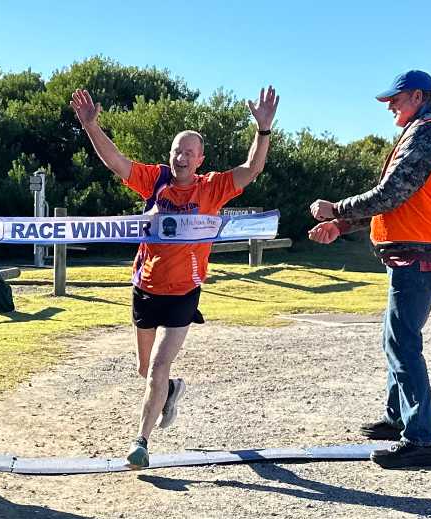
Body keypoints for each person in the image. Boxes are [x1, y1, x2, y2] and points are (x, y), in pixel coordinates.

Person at [71, 86, 279, 468]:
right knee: (144, 368)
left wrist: (262, 130)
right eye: (176, 151)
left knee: (157, 368)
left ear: (200, 159)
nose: (181, 157)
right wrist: (90, 127)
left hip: (184, 292)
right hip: (145, 287)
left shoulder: (212, 187)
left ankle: (141, 442)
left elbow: (252, 169)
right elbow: (116, 162)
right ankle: (170, 393)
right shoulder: (155, 181)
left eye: (189, 152)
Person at [308, 70, 431, 469]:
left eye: (394, 99)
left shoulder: (429, 132)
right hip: (421, 250)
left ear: (418, 96)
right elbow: (400, 200)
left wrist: (337, 209)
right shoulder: (430, 128)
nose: (389, 106)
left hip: (421, 253)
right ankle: (399, 418)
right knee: (396, 337)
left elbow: (392, 192)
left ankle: (421, 440)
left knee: (402, 342)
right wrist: (341, 226)